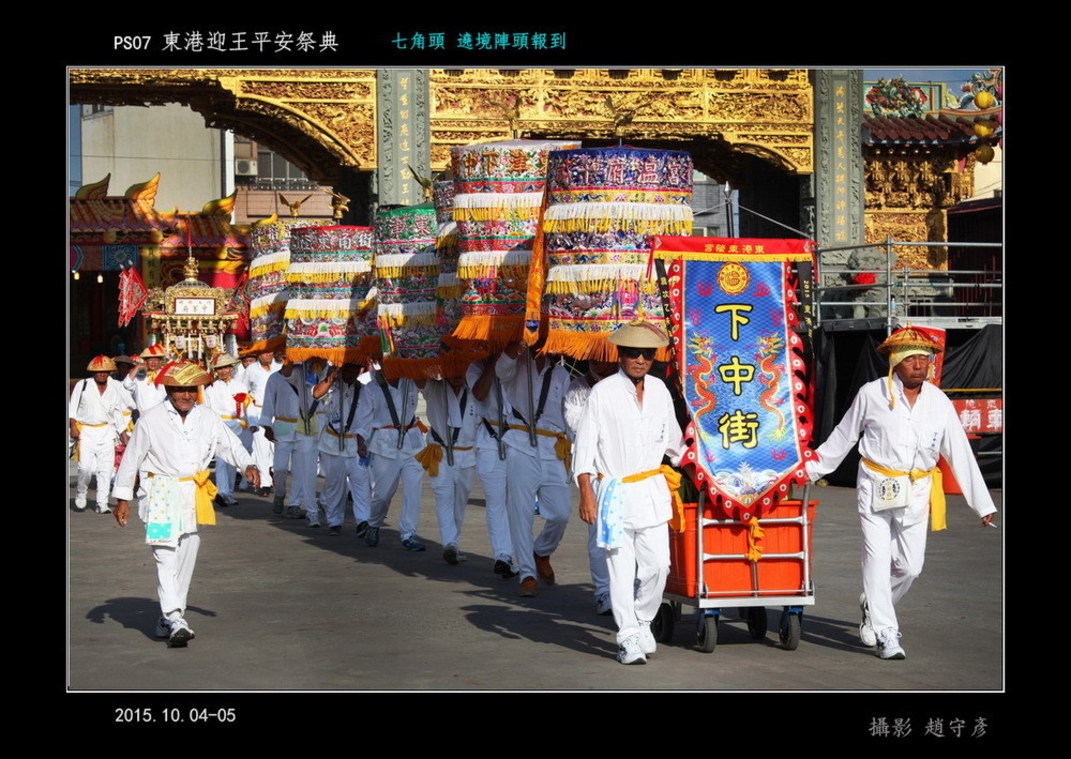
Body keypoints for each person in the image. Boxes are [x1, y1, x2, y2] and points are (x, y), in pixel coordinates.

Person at [806, 327, 997, 660]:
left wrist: (981, 502)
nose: (920, 365)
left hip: (918, 488)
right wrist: (808, 470)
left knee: (910, 567)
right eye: (911, 359)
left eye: (925, 359)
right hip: (876, 485)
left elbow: (958, 452)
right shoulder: (872, 393)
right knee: (877, 559)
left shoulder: (938, 401)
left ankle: (874, 604)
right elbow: (843, 437)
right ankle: (886, 633)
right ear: (895, 362)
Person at [112, 360, 260, 647]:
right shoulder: (151, 419)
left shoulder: (206, 416)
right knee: (166, 556)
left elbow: (228, 444)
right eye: (181, 389)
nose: (187, 395)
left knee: (186, 558)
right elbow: (131, 460)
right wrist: (122, 500)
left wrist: (248, 464)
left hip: (195, 493)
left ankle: (167, 618)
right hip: (161, 493)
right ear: (169, 389)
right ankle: (176, 617)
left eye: (192, 389)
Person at [573, 319, 684, 664]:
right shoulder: (603, 393)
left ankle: (642, 619)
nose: (640, 359)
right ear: (620, 354)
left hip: (652, 490)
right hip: (615, 492)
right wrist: (586, 494)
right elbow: (584, 448)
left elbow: (675, 443)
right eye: (633, 353)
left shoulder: (660, 390)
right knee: (620, 569)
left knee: (658, 566)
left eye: (647, 354)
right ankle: (627, 637)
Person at [496, 342, 572, 597]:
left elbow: (567, 414)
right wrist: (516, 345)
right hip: (520, 443)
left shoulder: (561, 373)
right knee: (521, 512)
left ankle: (541, 551)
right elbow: (499, 370)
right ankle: (526, 573)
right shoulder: (515, 365)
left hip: (553, 446)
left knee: (561, 512)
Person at [563, 359, 619, 616]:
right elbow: (578, 427)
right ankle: (603, 591)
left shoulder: (627, 385)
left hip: (626, 472)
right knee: (599, 536)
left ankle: (630, 591)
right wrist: (600, 394)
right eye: (597, 357)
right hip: (595, 471)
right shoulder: (577, 389)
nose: (603, 362)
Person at [354, 373, 427, 550]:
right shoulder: (372, 387)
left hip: (412, 441)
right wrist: (361, 441)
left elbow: (424, 384)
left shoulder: (411, 381)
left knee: (413, 489)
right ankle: (373, 523)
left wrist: (414, 366)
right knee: (383, 493)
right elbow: (363, 417)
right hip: (384, 444)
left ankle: (408, 533)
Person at [419, 372, 479, 565]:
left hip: (467, 454)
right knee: (444, 498)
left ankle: (454, 543)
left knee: (459, 503)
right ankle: (449, 544)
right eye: (453, 370)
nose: (457, 375)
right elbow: (418, 379)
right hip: (440, 451)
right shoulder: (433, 388)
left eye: (461, 370)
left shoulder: (474, 392)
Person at [466, 356, 516, 578]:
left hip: (518, 439)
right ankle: (503, 555)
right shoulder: (474, 366)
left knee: (517, 503)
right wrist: (492, 363)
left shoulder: (520, 365)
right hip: (489, 439)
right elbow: (479, 393)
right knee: (496, 503)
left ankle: (521, 555)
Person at [312, 362, 373, 536]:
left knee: (361, 483)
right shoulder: (331, 387)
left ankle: (363, 521)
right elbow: (316, 394)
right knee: (335, 484)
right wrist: (332, 376)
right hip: (332, 443)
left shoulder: (364, 390)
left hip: (355, 443)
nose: (354, 372)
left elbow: (367, 418)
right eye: (349, 368)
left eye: (357, 368)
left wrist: (363, 442)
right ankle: (334, 521)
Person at [69, 355, 134, 513]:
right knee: (85, 468)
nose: (102, 374)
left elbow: (117, 412)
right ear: (93, 372)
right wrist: (73, 426)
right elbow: (72, 407)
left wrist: (123, 433)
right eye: (98, 372)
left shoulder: (115, 387)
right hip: (87, 430)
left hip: (107, 430)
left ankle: (102, 503)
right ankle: (81, 492)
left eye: (105, 371)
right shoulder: (82, 385)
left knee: (105, 469)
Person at [261, 360, 322, 525]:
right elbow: (268, 401)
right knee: (280, 467)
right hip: (282, 425)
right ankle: (280, 492)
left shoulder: (309, 376)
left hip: (304, 426)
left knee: (299, 469)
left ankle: (294, 503)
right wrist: (266, 424)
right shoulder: (275, 378)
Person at [202, 353, 251, 507]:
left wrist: (248, 421)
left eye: (226, 367)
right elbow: (207, 408)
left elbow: (246, 405)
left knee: (233, 460)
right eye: (220, 368)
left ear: (231, 368)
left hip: (237, 424)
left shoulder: (240, 386)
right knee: (222, 460)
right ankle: (223, 491)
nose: (223, 371)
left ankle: (229, 490)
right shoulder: (211, 388)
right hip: (220, 424)